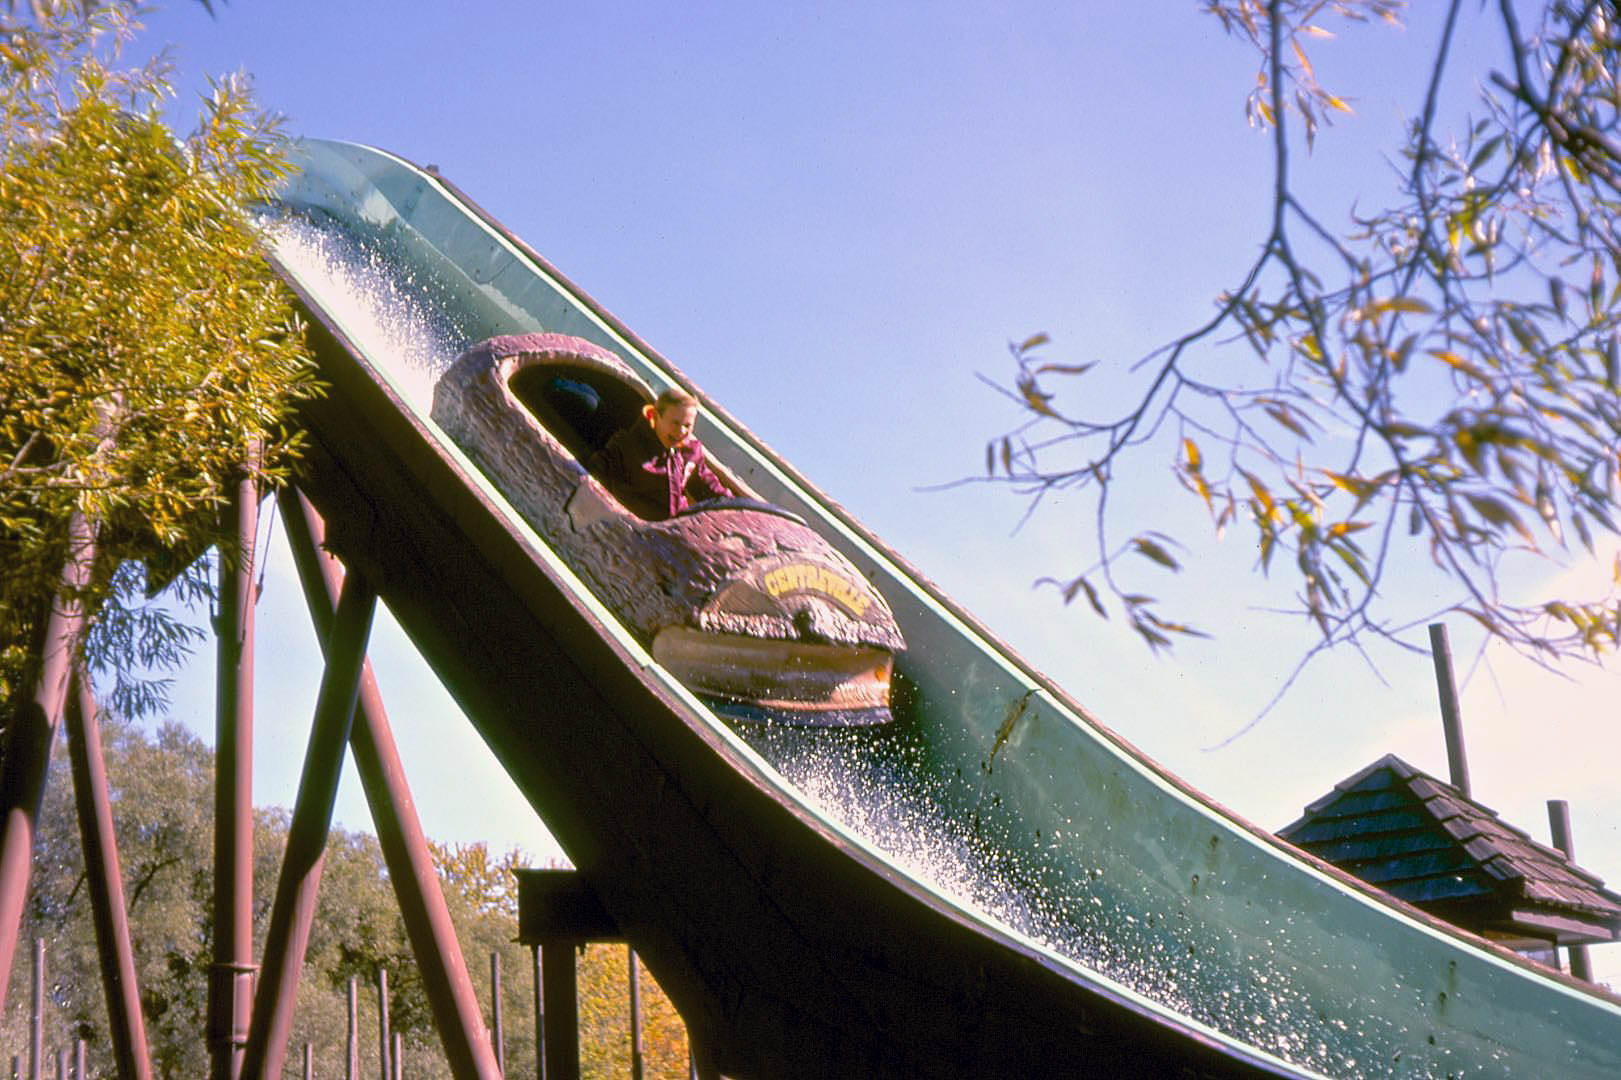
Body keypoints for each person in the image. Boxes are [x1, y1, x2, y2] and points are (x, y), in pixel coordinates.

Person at [586, 387, 731, 520]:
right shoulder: (628, 445)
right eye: (675, 423)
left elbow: (709, 486)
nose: (681, 431)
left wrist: (730, 504)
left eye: (688, 425)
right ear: (655, 416)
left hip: (676, 527)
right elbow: (595, 472)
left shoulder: (690, 453)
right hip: (636, 524)